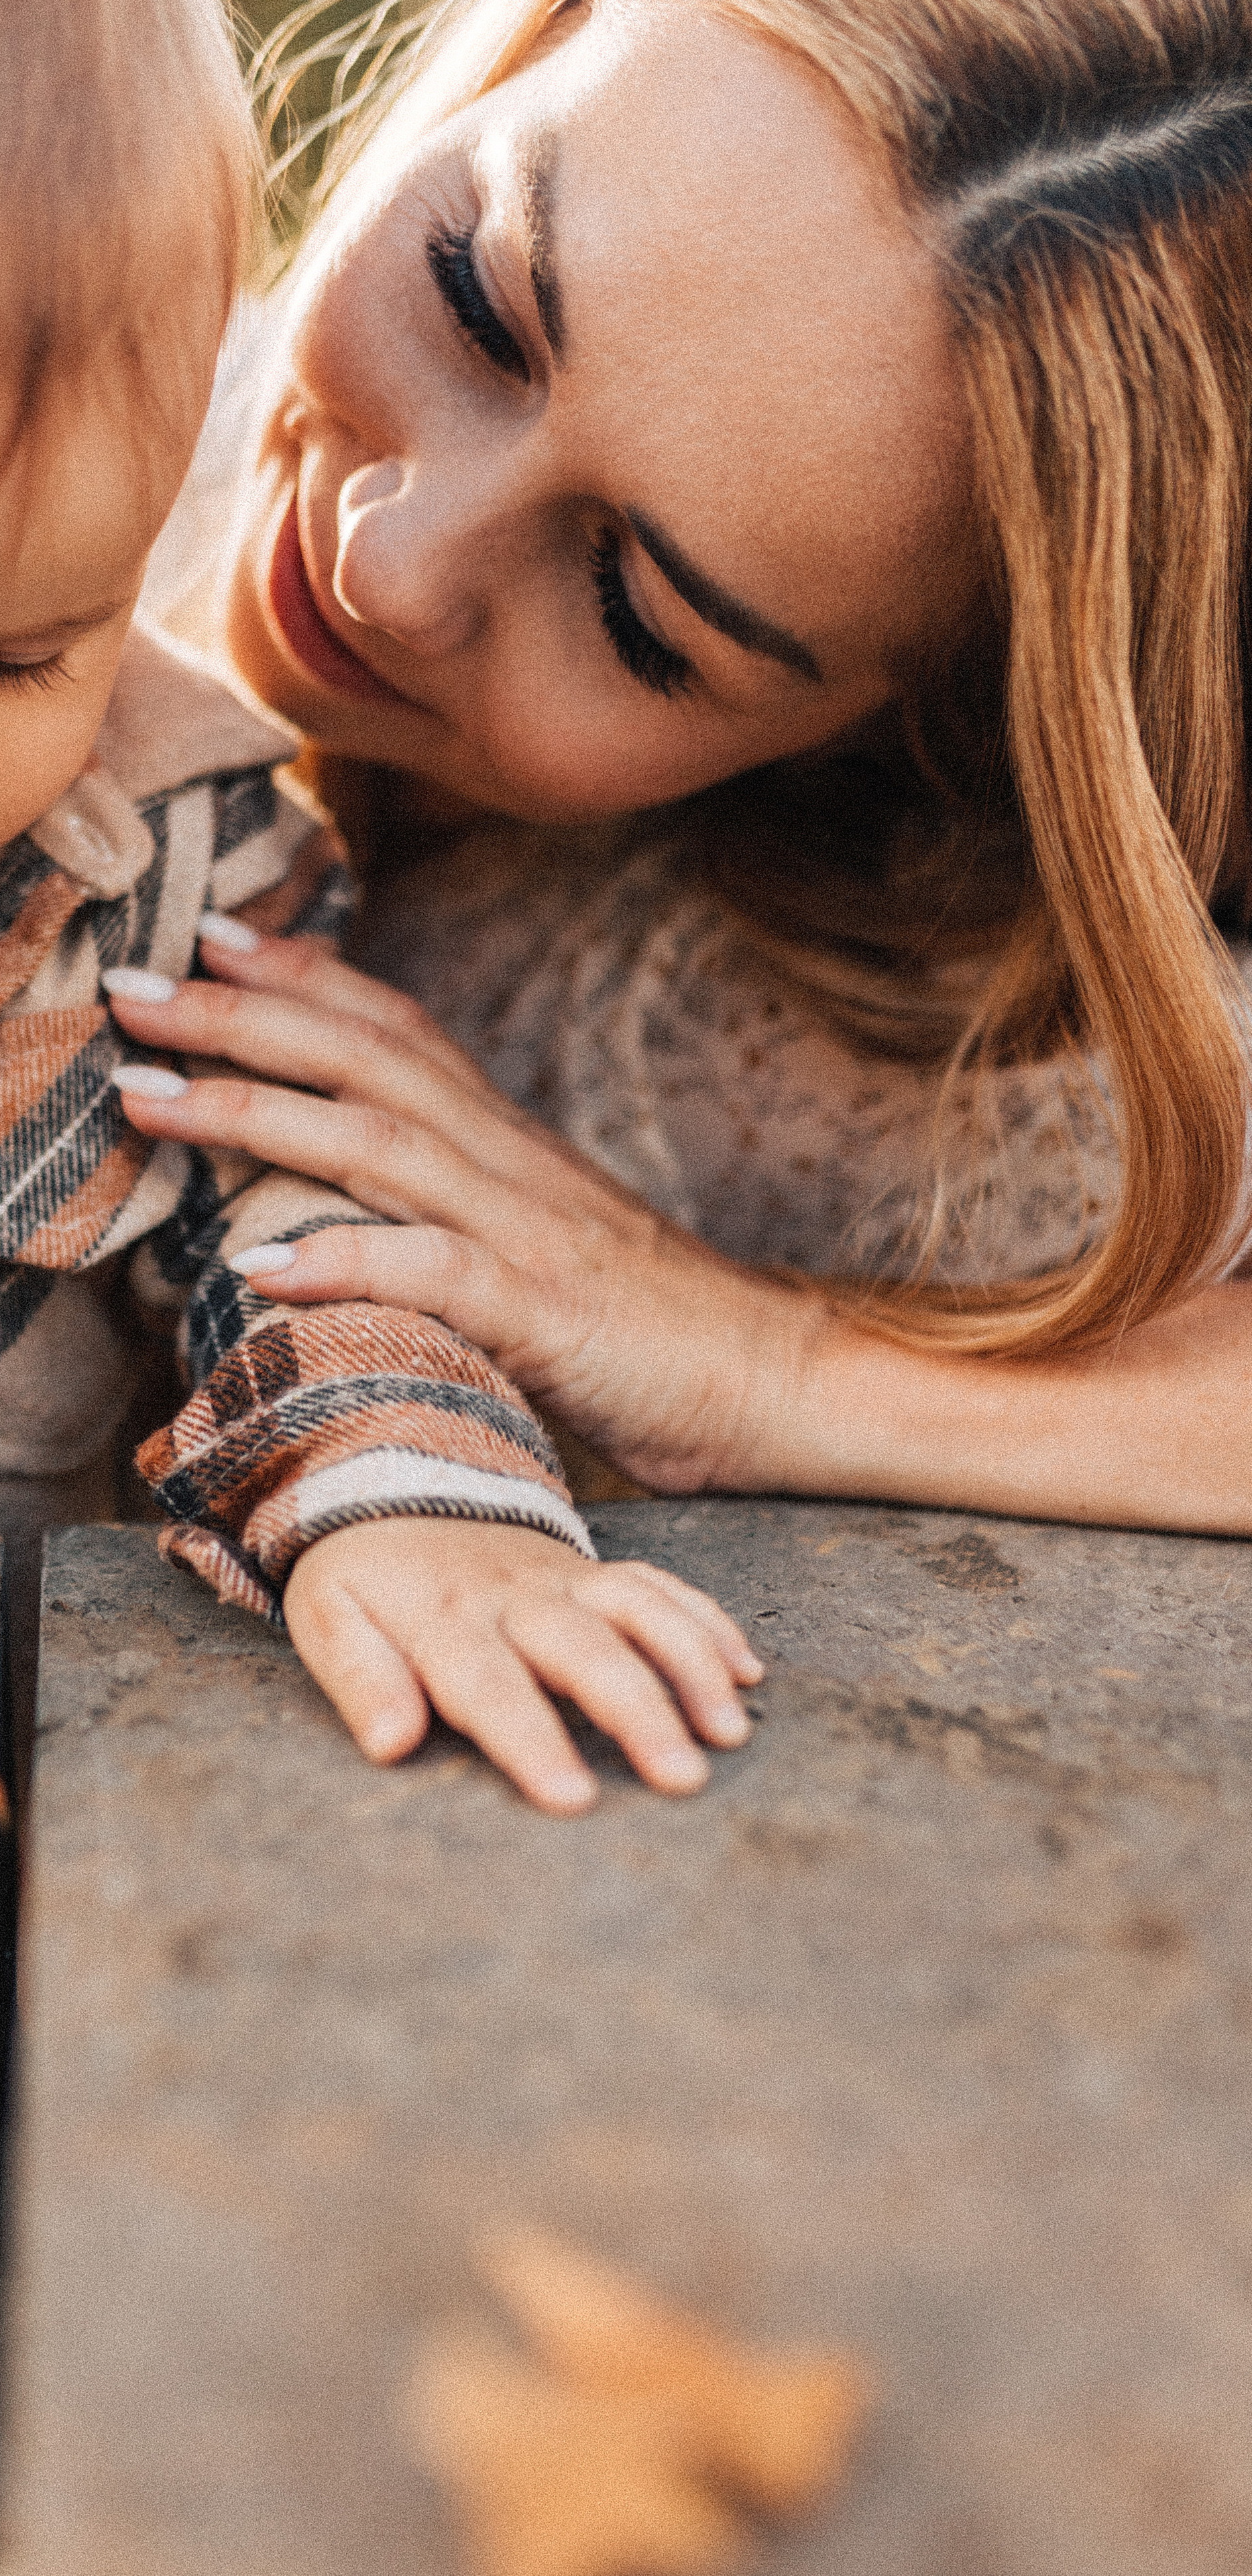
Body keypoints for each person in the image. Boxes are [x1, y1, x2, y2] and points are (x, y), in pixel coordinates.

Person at [0, 0, 762, 1828]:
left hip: (70, 1795)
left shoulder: (174, 850)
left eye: (21, 648)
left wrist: (407, 1491)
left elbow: (287, 1209)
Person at [112, 0, 1252, 1600]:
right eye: (474, 296)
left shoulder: (874, 1079)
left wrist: (757, 1362)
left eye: (640, 616)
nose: (387, 560)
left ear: (903, 740)